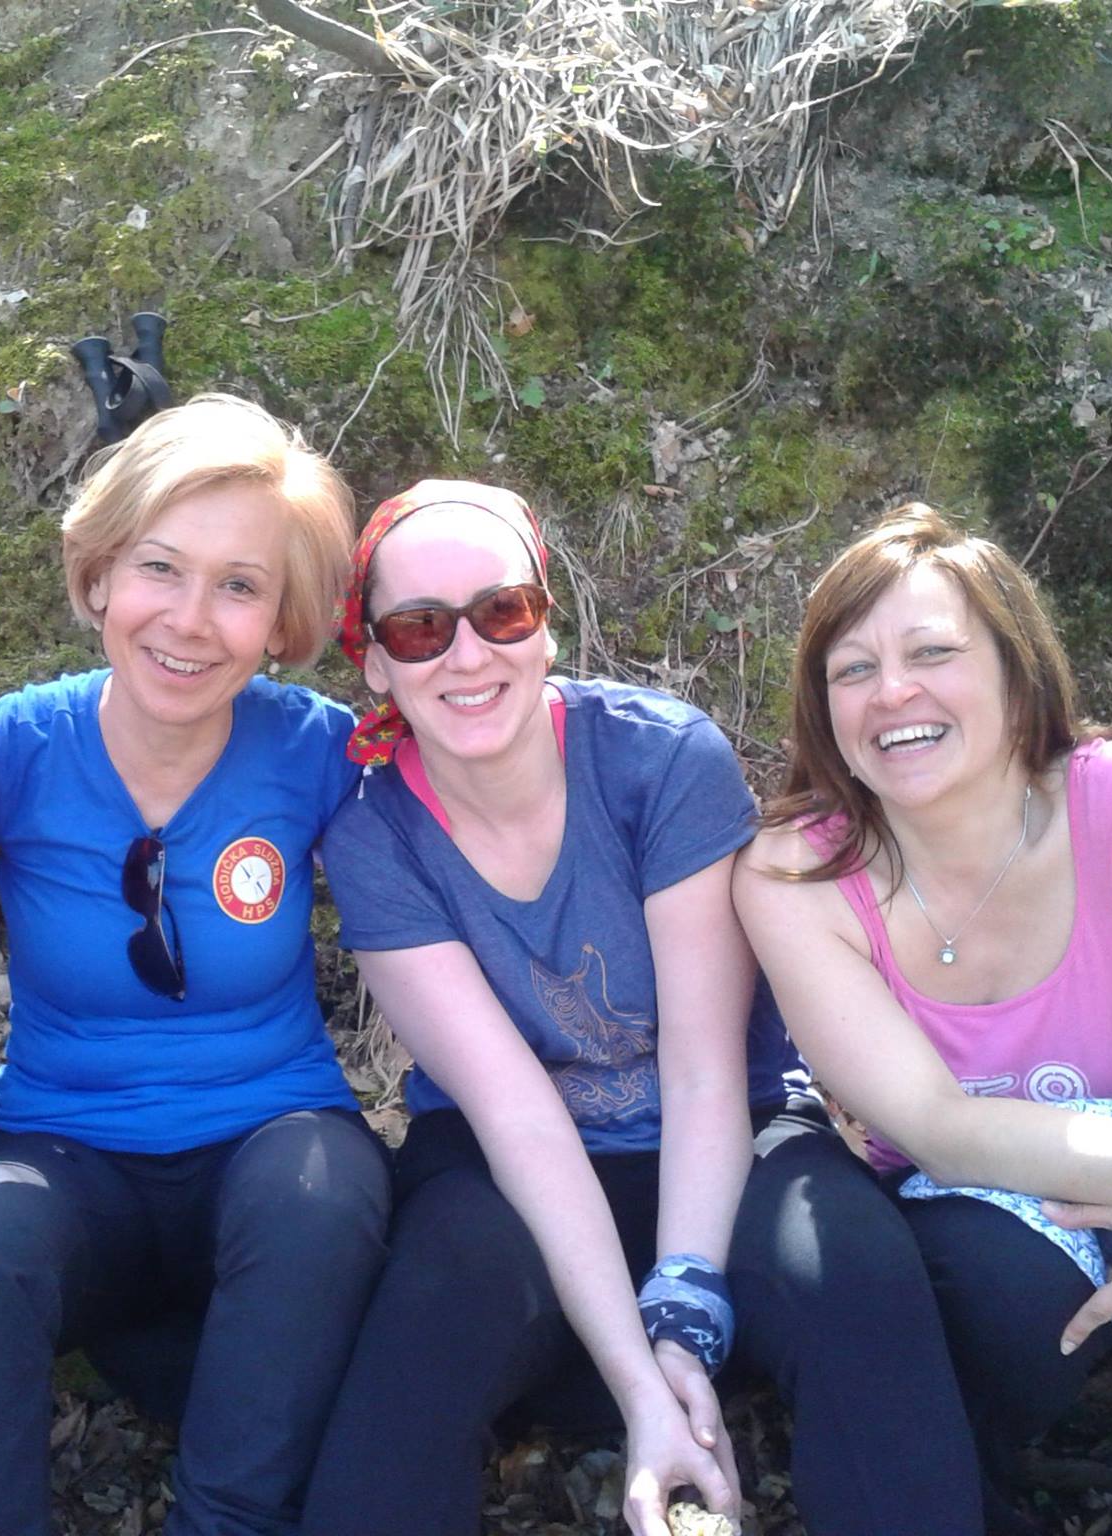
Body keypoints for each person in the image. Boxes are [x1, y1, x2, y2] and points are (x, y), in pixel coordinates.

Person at [732, 504, 1112, 1534]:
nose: (892, 692)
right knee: (989, 1304)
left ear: (1017, 672)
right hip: (969, 1182)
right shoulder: (795, 874)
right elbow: (938, 1127)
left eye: (932, 652)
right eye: (852, 670)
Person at [0, 393, 391, 1536]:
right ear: (100, 573)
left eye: (239, 586)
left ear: (281, 622)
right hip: (67, 1159)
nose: (190, 621)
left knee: (325, 1194)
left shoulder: (317, 757)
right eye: (160, 568)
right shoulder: (10, 752)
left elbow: (452, 902)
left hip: (272, 1144)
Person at [297, 480, 809, 1536]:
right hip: (510, 1165)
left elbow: (704, 1068)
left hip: (724, 1137)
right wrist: (641, 1388)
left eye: (502, 611)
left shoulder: (659, 759)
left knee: (858, 1278)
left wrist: (681, 1314)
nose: (467, 655)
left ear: (545, 623)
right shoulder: (373, 833)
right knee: (435, 1305)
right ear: (375, 661)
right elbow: (516, 1115)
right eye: (420, 628)